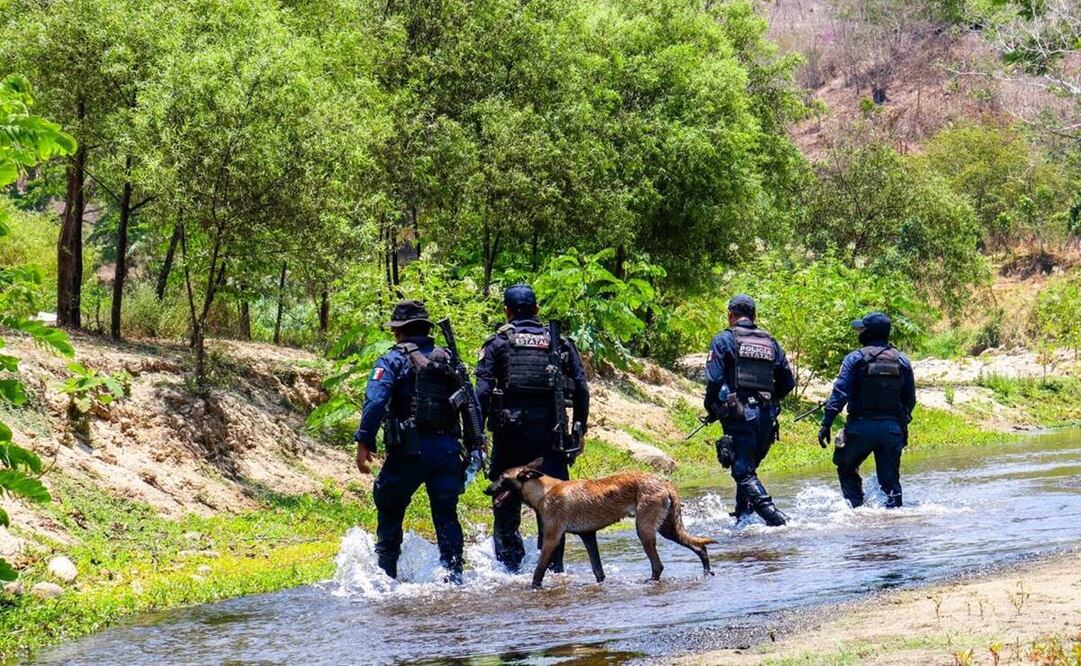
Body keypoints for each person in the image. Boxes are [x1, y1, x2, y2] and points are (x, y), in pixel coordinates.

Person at [475, 283, 590, 573]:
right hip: (551, 435)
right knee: (554, 503)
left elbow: (482, 392)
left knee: (505, 501)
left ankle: (509, 569)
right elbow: (581, 389)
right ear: (537, 310)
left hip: (509, 435)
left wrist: (475, 435)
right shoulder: (559, 342)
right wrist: (579, 430)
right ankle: (553, 568)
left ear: (507, 311)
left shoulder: (497, 343)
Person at [353, 300, 467, 583]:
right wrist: (475, 444)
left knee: (390, 509)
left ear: (398, 332)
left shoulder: (392, 360)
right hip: (448, 449)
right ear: (426, 329)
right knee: (446, 516)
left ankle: (386, 578)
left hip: (408, 451)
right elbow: (468, 402)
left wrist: (364, 441)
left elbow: (376, 401)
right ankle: (454, 578)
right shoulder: (448, 358)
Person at [704, 294, 795, 526]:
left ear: (730, 315)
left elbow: (714, 380)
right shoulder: (770, 342)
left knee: (742, 472)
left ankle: (776, 519)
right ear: (754, 317)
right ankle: (743, 518)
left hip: (740, 415)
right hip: (767, 416)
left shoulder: (724, 340)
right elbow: (787, 382)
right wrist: (769, 401)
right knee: (748, 467)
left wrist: (712, 407)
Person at [818, 312, 916, 508]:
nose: (859, 332)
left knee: (846, 466)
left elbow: (839, 393)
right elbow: (910, 399)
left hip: (860, 428)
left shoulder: (855, 359)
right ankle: (894, 521)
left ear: (869, 332)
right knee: (890, 485)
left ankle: (856, 509)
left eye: (861, 329)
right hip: (891, 430)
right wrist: (900, 424)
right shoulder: (902, 360)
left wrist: (826, 423)